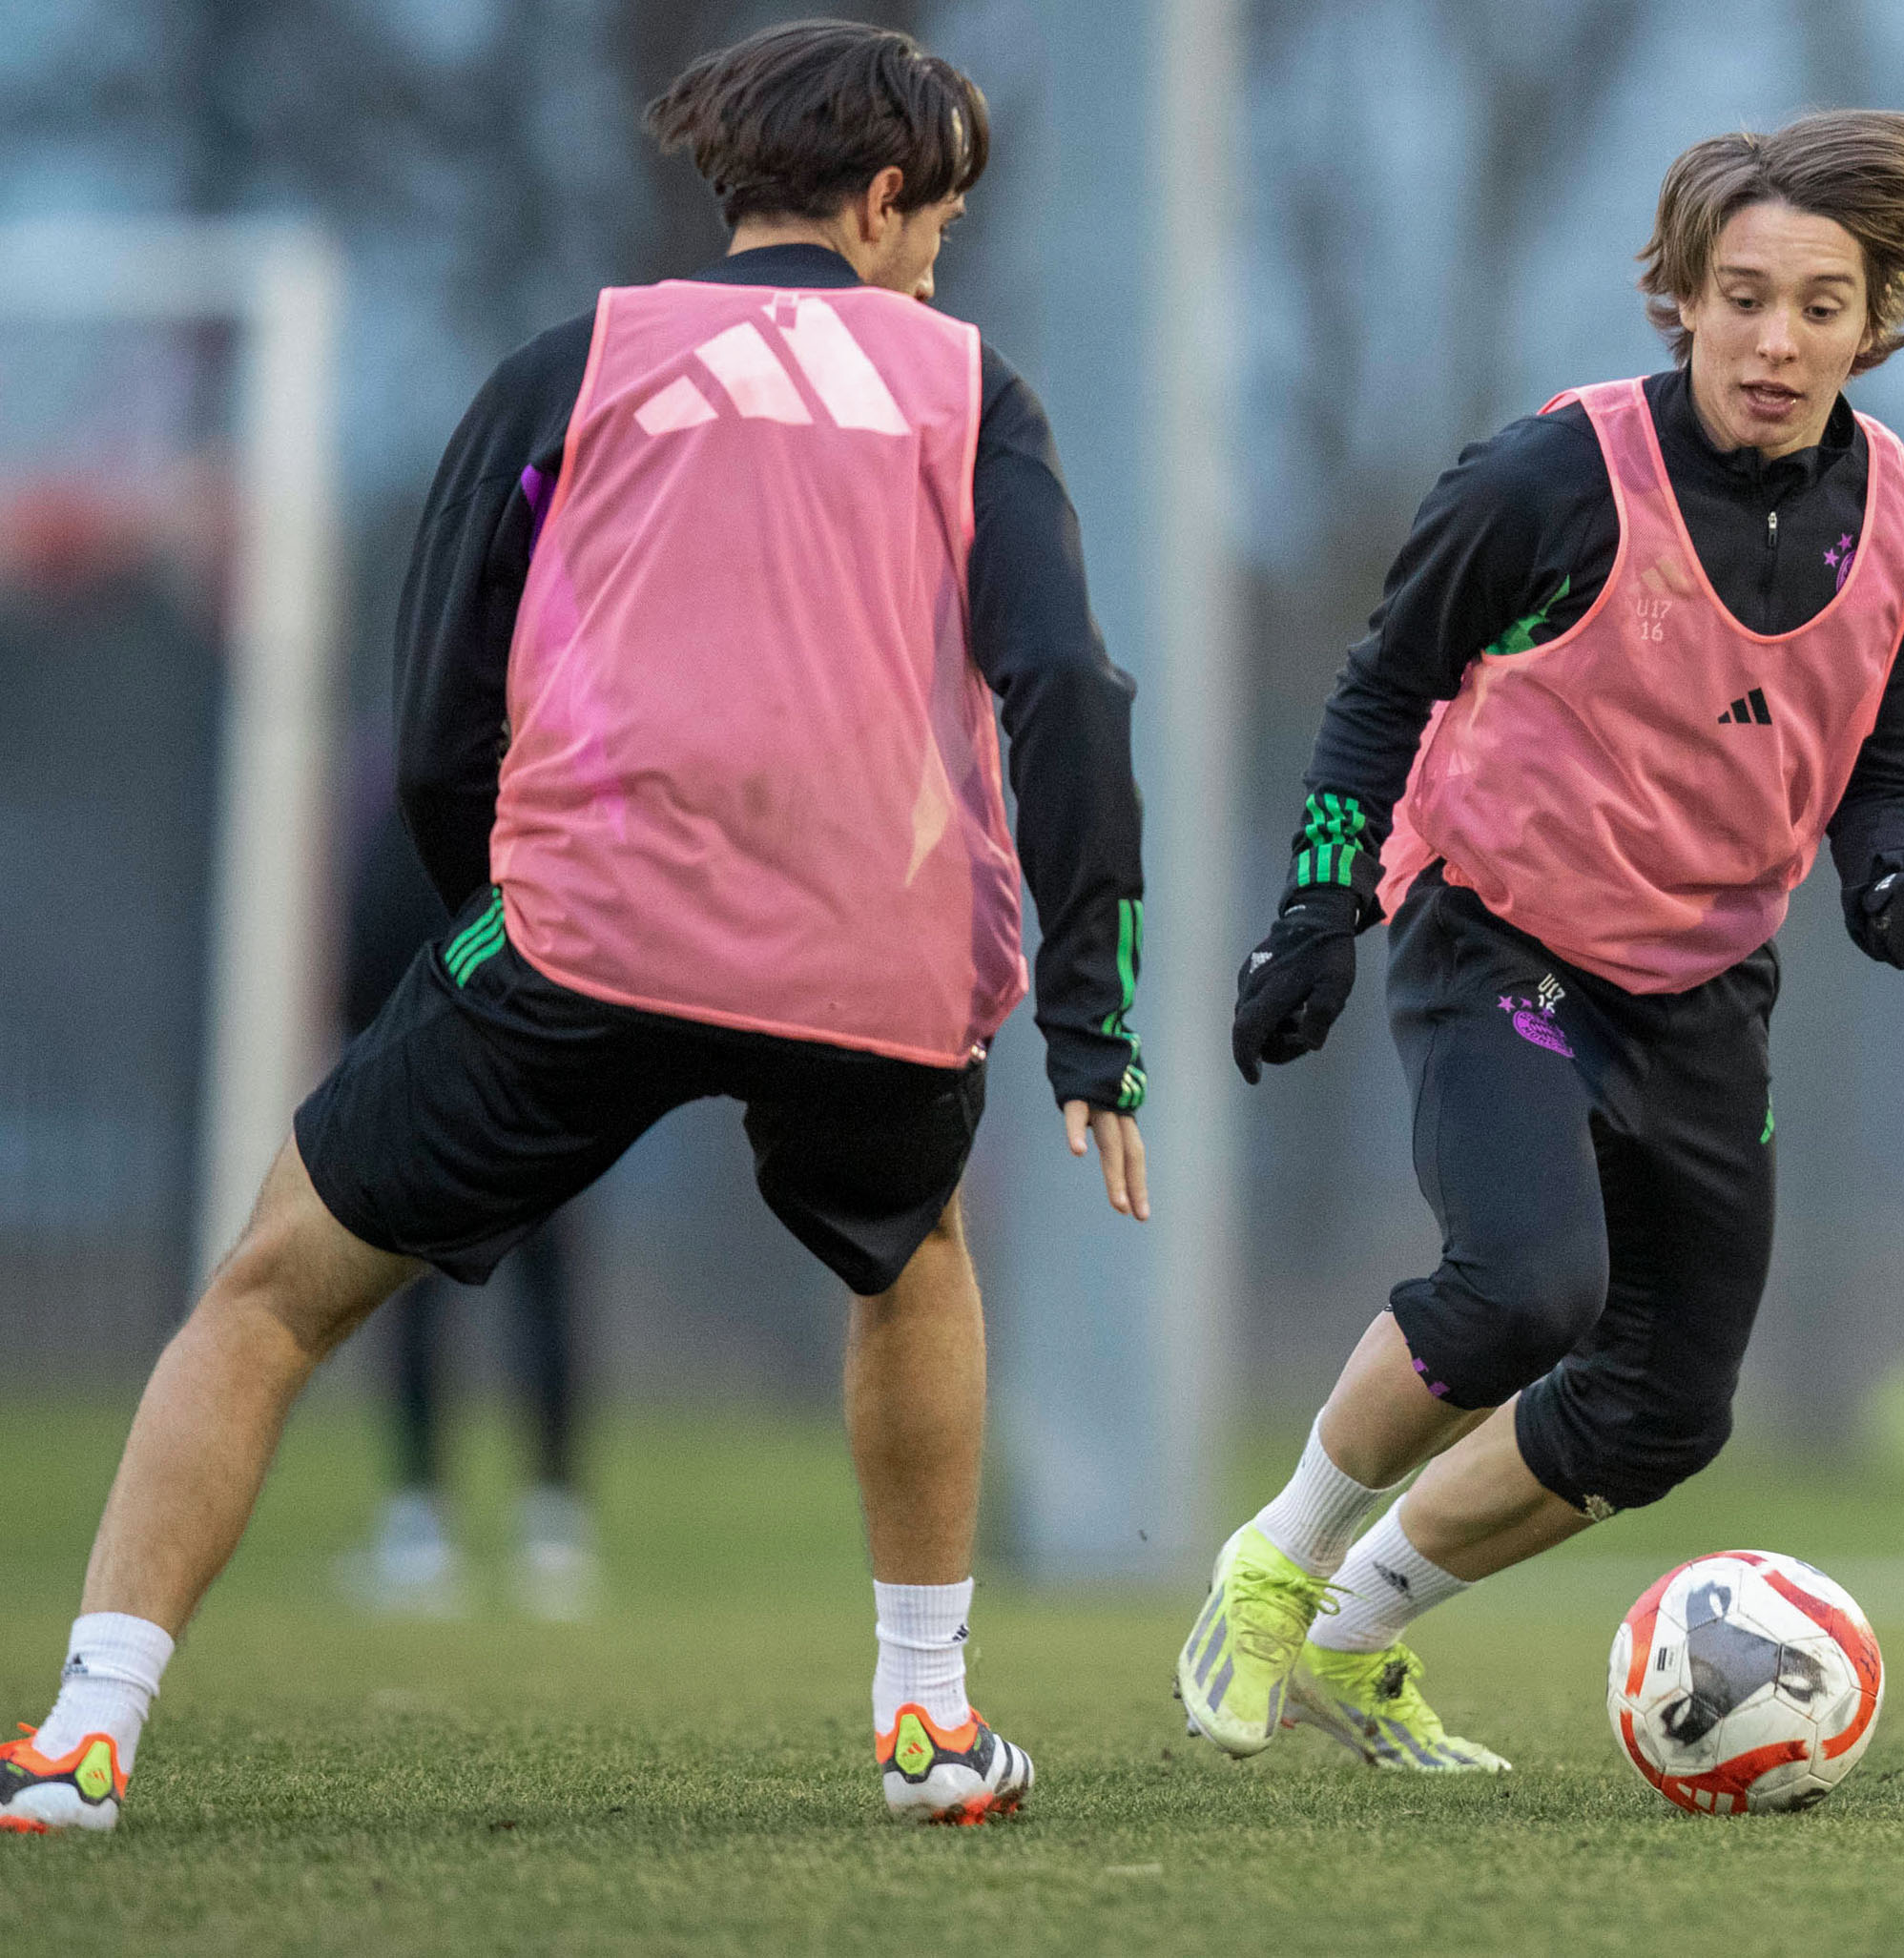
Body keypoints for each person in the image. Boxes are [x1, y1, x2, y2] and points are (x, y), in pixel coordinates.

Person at [3, 19, 1148, 1835]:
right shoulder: (968, 387)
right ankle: (927, 1721)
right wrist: (1094, 1010)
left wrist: (488, 927)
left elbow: (444, 703)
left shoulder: (572, 365)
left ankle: (84, 1735)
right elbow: (1065, 690)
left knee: (267, 1293)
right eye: (938, 216)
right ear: (877, 200)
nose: (941, 254)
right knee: (915, 1253)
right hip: (874, 957)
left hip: (584, 930)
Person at [1184, 110, 1904, 1773]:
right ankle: (1273, 1564)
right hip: (1500, 933)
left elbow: (1887, 774)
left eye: (1822, 305)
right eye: (1744, 295)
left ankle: (1353, 1631)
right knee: (1524, 1289)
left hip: (1703, 980)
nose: (1778, 341)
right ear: (1683, 299)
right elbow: (1378, 687)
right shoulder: (1551, 477)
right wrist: (1316, 909)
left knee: (1663, 1408)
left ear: (1878, 320)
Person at [331, 772, 598, 1622]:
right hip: (543, 1094)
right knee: (537, 1292)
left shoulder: (411, 811)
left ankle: (428, 1521)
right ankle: (548, 1520)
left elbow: (361, 971)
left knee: (422, 1291)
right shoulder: (549, 820)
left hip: (438, 1102)